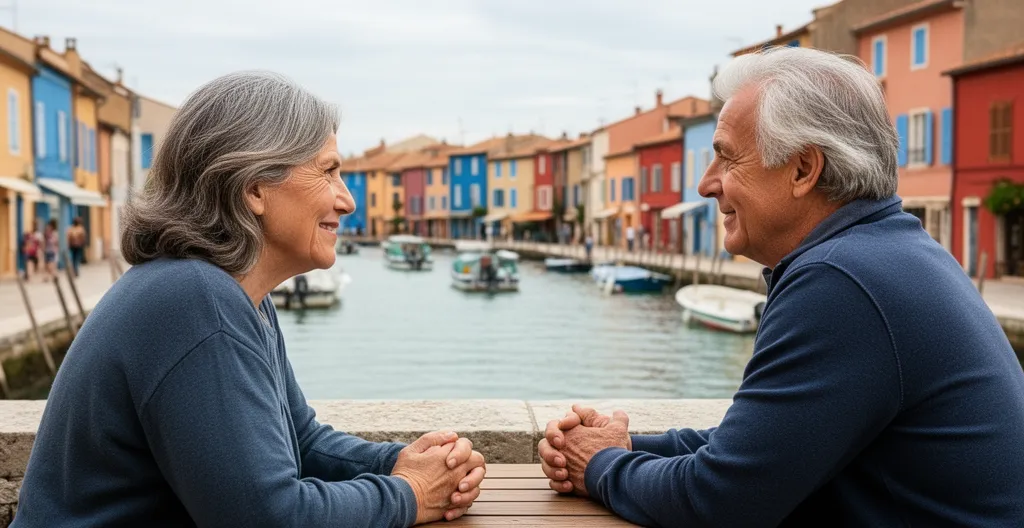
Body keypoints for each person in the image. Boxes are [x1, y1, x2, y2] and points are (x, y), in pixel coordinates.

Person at [538, 47, 1024, 527]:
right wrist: (630, 445)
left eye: (727, 159)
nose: (707, 185)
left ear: (802, 170)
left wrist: (598, 466)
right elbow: (766, 445)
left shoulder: (841, 282)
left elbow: (719, 502)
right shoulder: (883, 253)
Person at [14, 71, 486, 527]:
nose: (347, 201)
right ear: (255, 188)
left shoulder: (234, 295)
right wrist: (411, 494)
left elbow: (301, 442)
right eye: (328, 172)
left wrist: (400, 461)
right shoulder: (195, 300)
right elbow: (267, 516)